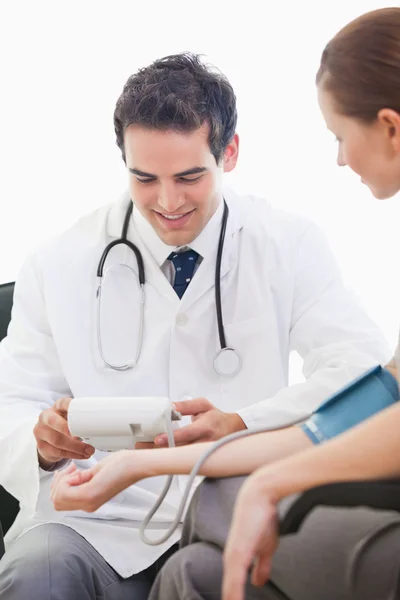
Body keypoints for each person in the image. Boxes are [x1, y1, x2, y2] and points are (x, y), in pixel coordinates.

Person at [0, 51, 390, 600]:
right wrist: (40, 443)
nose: (167, 201)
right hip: (98, 523)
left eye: (189, 177)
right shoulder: (56, 260)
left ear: (229, 153)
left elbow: (360, 370)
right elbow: (11, 401)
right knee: (37, 573)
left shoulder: (288, 243)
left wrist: (245, 421)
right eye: (144, 178)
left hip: (225, 508)